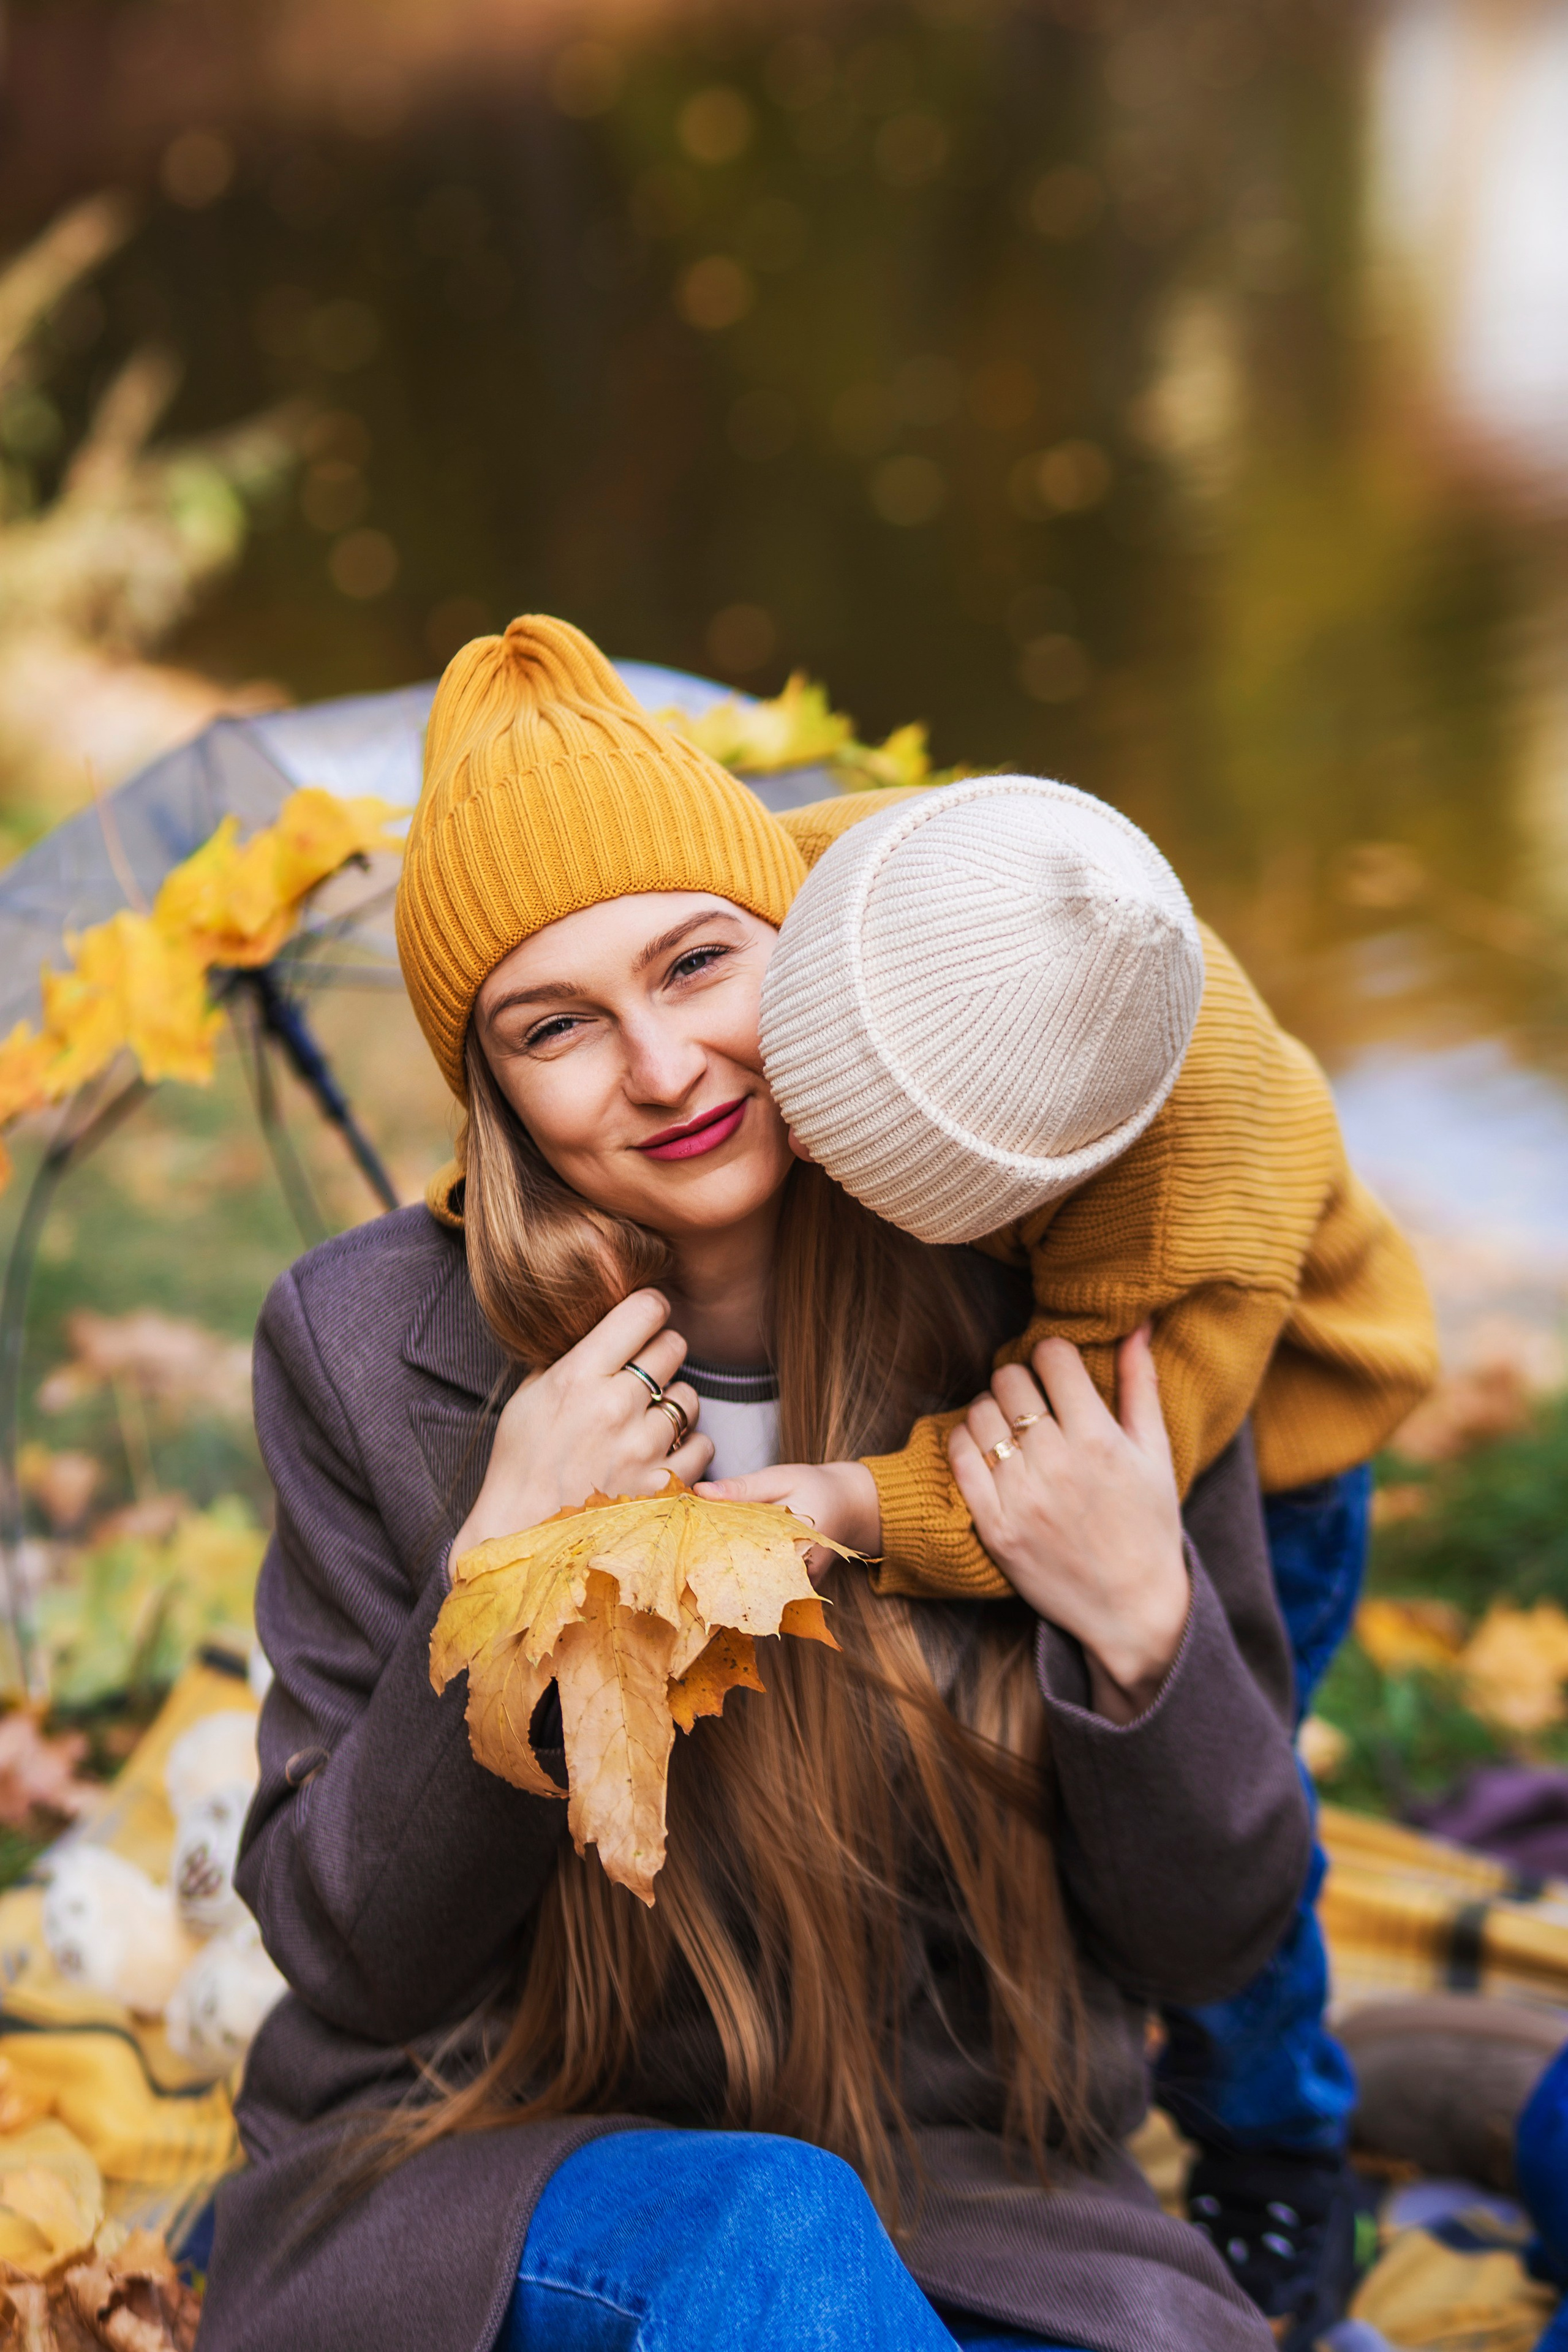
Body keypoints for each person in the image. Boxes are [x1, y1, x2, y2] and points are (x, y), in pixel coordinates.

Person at [197, 616, 1312, 2352]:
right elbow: (356, 1963)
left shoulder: (1049, 1280)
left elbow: (1216, 1933)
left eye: (699, 965)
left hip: (978, 2206)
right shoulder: (364, 1348)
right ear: (485, 1084)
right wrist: (507, 1566)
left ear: (797, 951)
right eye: (554, 1025)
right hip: (504, 2186)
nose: (661, 1070)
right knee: (768, 2234)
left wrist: (1141, 1624)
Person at [700, 775, 1439, 2344]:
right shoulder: (879, 862)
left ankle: (1272, 2142)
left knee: (1221, 1770)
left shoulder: (1178, 1225)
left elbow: (1057, 1485)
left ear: (1033, 1190)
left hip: (1264, 1437)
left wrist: (842, 1502)